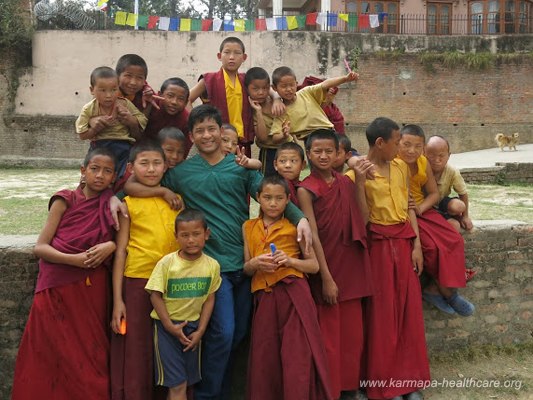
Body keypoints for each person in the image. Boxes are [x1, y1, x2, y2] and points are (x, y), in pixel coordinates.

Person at [122, 104, 312, 400]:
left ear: (220, 131)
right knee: (223, 333)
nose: (207, 135)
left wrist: (300, 219)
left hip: (247, 262)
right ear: (192, 137)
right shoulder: (181, 173)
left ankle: (216, 390)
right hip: (214, 267)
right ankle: (208, 395)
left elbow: (272, 194)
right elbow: (132, 186)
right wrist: (116, 199)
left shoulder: (240, 167)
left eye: (212, 129)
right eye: (200, 131)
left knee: (235, 335)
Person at [12, 148, 117, 400]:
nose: (100, 176)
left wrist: (111, 245)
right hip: (56, 285)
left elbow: (119, 244)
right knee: (48, 352)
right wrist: (76, 260)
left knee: (90, 351)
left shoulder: (113, 205)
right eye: (94, 169)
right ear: (83, 171)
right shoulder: (64, 199)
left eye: (107, 171)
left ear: (114, 177)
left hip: (91, 290)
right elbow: (41, 247)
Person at [350, 117, 430, 400]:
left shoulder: (399, 167)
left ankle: (408, 381)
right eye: (397, 141)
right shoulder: (355, 175)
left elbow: (409, 207)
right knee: (381, 316)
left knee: (408, 313)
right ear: (380, 143)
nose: (401, 147)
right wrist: (359, 181)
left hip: (404, 243)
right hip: (378, 248)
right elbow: (360, 221)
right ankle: (383, 384)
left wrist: (417, 245)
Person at [297, 129, 373, 400]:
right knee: (329, 335)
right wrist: (326, 277)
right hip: (327, 265)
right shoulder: (306, 189)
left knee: (353, 335)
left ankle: (350, 388)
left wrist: (361, 182)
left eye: (329, 150)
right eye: (317, 151)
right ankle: (330, 390)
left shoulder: (346, 183)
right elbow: (313, 234)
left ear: (339, 152)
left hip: (351, 263)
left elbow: (363, 220)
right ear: (308, 154)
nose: (324, 156)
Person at [243, 174, 332, 400]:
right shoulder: (248, 227)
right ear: (257, 199)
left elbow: (312, 266)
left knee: (297, 353)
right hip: (264, 295)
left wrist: (290, 261)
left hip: (294, 295)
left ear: (287, 201)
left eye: (279, 198)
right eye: (267, 197)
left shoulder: (296, 227)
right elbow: (246, 267)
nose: (273, 203)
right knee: (265, 355)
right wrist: (254, 263)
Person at [110, 141, 182, 400]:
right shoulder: (127, 204)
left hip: (173, 284)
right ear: (131, 167)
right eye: (144, 163)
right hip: (138, 279)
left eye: (157, 163)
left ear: (166, 166)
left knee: (171, 348)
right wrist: (118, 300)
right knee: (138, 348)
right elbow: (120, 252)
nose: (151, 169)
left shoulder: (176, 200)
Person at [397, 125, 474, 317]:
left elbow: (433, 194)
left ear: (422, 147)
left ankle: (432, 289)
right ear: (397, 143)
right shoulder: (394, 163)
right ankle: (449, 293)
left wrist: (421, 209)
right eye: (406, 145)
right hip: (401, 213)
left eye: (417, 146)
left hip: (423, 209)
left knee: (453, 239)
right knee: (430, 247)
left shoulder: (423, 163)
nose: (411, 150)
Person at [146, 209, 222, 400]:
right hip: (167, 329)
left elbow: (209, 299)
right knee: (177, 383)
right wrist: (169, 326)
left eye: (196, 234)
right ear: (176, 237)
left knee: (186, 382)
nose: (191, 240)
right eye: (184, 235)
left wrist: (201, 331)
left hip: (193, 330)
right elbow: (155, 295)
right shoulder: (167, 263)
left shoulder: (212, 265)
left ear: (207, 234)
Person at [75, 66, 148, 188]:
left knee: (123, 180)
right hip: (99, 146)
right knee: (93, 181)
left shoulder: (124, 103)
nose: (109, 95)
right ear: (92, 90)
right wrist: (95, 129)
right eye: (103, 90)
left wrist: (130, 118)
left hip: (123, 147)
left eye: (114, 90)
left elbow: (143, 121)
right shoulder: (89, 109)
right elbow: (82, 135)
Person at [187, 37, 255, 156]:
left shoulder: (247, 80)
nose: (232, 57)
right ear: (219, 56)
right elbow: (186, 99)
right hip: (217, 141)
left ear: (244, 58)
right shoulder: (210, 79)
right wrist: (198, 123)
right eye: (227, 52)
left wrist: (276, 100)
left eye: (237, 53)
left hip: (240, 142)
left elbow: (266, 90)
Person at [269, 67, 358, 145]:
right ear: (274, 88)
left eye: (291, 85)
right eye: (284, 86)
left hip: (329, 132)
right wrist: (284, 135)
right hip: (310, 140)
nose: (289, 89)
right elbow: (275, 138)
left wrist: (345, 78)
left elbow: (325, 84)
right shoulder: (281, 111)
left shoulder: (306, 92)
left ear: (296, 84)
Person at [245, 66, 292, 176]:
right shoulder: (249, 109)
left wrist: (276, 99)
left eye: (265, 88)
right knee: (267, 183)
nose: (261, 92)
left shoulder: (275, 100)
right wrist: (258, 112)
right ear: (247, 89)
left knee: (289, 181)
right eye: (255, 89)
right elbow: (263, 138)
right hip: (268, 151)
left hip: (287, 147)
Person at [425, 135, 473, 232]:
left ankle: (452, 216)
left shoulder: (452, 171)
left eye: (441, 156)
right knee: (454, 226)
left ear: (449, 156)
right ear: (424, 154)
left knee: (459, 206)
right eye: (432, 155)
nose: (436, 160)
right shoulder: (421, 169)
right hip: (425, 206)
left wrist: (466, 216)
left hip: (443, 203)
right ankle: (446, 219)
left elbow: (463, 193)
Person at [144, 78, 192, 157]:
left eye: (180, 99)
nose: (174, 102)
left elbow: (183, 151)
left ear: (186, 102)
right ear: (159, 94)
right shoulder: (151, 103)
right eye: (170, 96)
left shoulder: (186, 121)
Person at [273, 141, 306, 206]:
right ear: (275, 165)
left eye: (293, 161)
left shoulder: (304, 186)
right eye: (283, 161)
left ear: (303, 165)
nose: (288, 165)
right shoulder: (274, 186)